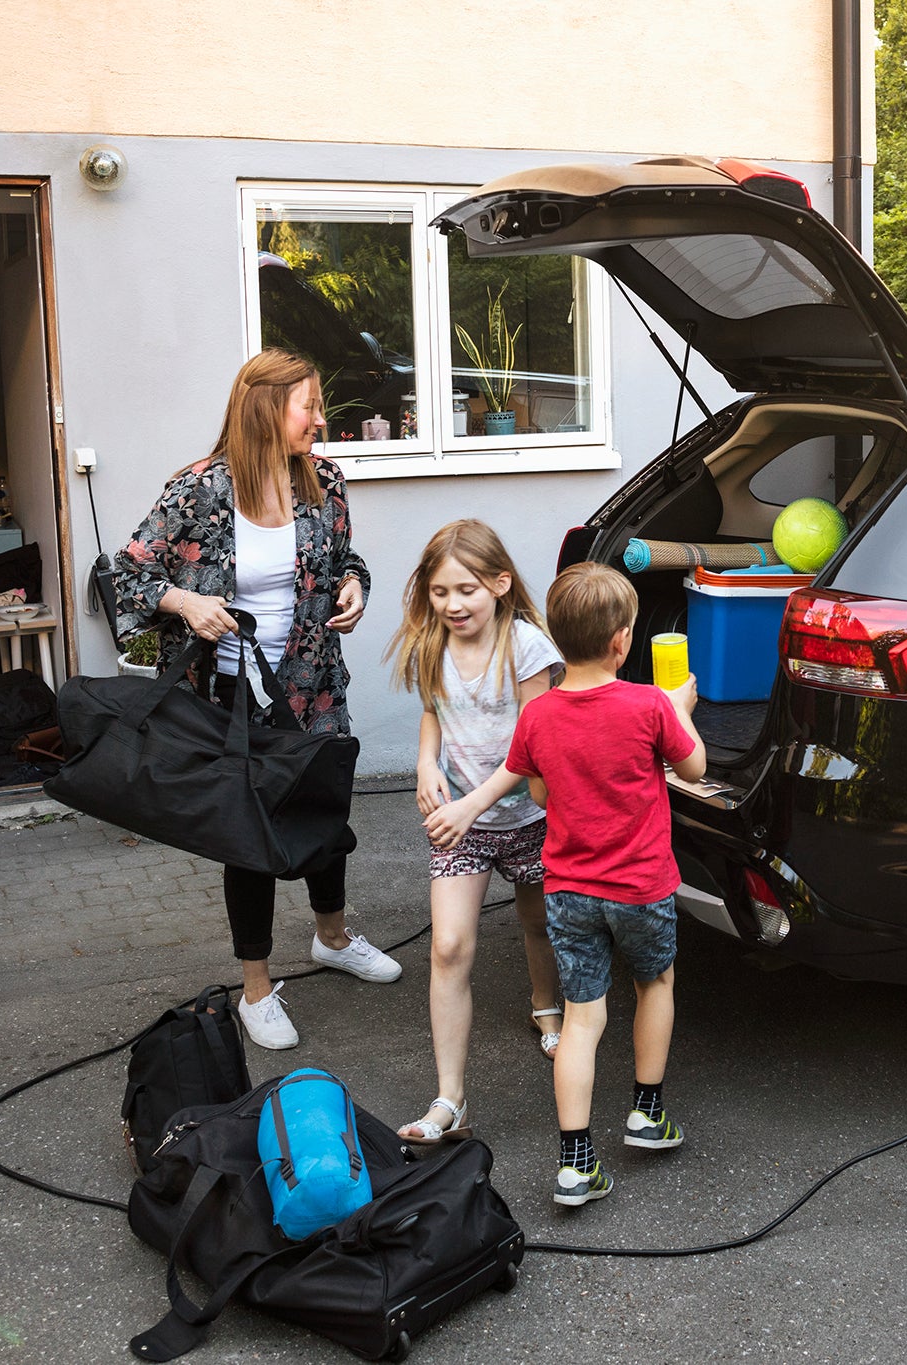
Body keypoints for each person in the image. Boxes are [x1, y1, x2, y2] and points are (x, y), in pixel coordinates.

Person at [114, 347, 400, 1051]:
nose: (321, 419)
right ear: (269, 407)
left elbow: (344, 559)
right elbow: (126, 576)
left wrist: (355, 586)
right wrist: (185, 600)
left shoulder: (323, 481)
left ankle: (332, 936)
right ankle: (256, 987)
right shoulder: (200, 490)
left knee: (323, 805)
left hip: (313, 681)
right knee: (249, 833)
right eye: (310, 404)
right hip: (231, 693)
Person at [426, 562, 705, 1207]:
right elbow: (693, 766)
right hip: (640, 887)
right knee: (653, 982)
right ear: (621, 641)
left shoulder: (539, 718)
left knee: (583, 1019)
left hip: (570, 892)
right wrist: (679, 709)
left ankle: (576, 1163)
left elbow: (542, 790)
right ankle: (647, 1115)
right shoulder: (648, 705)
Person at [385, 520, 566, 1146]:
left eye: (465, 590)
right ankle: (450, 1099)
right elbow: (433, 715)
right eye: (438, 592)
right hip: (461, 823)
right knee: (449, 947)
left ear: (499, 584)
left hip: (531, 817)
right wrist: (426, 764)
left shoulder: (527, 649)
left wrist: (474, 804)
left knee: (538, 923)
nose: (452, 605)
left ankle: (546, 1001)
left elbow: (533, 747)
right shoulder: (433, 646)